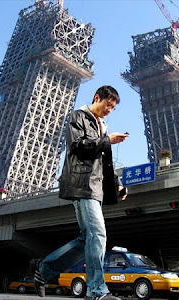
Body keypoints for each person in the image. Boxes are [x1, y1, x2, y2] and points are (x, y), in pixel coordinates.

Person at [31, 85, 129, 299]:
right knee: (98, 234)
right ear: (97, 98)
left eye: (112, 108)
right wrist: (107, 140)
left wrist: (117, 184)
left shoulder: (102, 126)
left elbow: (105, 162)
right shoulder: (78, 116)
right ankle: (97, 290)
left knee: (88, 239)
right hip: (82, 184)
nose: (109, 110)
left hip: (97, 187)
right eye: (107, 104)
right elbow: (76, 146)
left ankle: (44, 270)